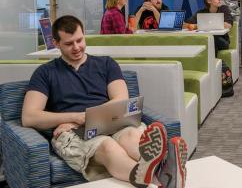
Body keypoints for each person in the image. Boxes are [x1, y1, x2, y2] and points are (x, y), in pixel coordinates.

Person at [22, 15, 187, 187]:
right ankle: (159, 176)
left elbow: (121, 99)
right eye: (69, 44)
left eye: (80, 40)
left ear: (84, 35)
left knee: (131, 136)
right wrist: (73, 118)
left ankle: (159, 173)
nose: (77, 47)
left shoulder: (106, 64)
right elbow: (29, 117)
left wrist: (84, 118)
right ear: (56, 43)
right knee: (107, 146)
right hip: (73, 134)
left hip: (111, 122)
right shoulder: (45, 73)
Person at [184, 0, 235, 97]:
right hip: (210, 41)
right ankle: (210, 69)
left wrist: (202, 25)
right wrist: (196, 25)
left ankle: (213, 67)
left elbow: (228, 25)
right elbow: (186, 24)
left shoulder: (224, 9)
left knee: (212, 38)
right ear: (209, 1)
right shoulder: (201, 12)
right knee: (208, 39)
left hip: (223, 41)